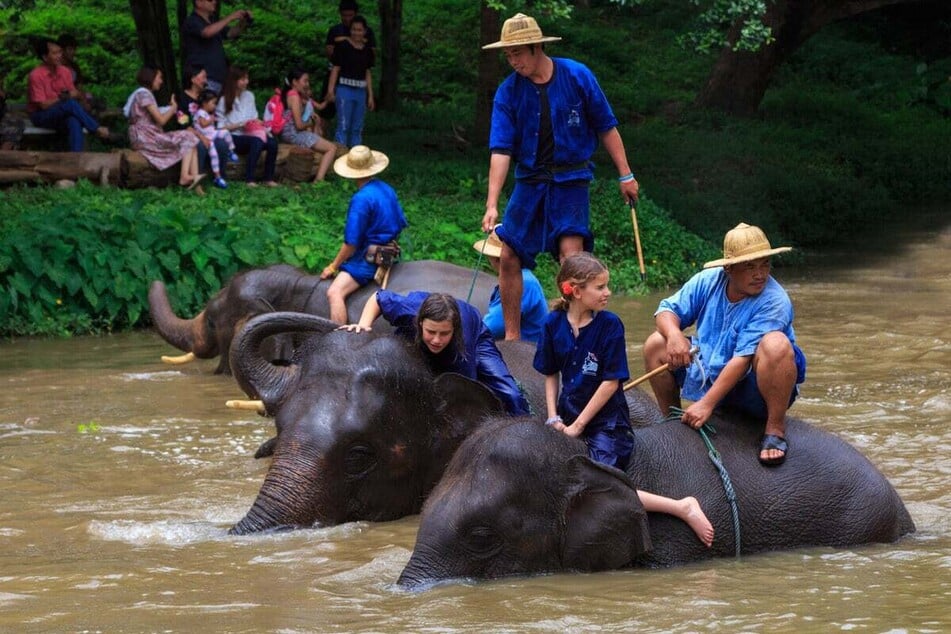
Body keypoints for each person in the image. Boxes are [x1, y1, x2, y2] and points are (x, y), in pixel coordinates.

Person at [534, 252, 714, 547]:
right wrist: (553, 417)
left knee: (598, 486)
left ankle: (682, 506)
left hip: (607, 424)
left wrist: (578, 427)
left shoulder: (610, 326)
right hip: (566, 416)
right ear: (576, 291)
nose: (608, 293)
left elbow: (611, 382)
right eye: (600, 287)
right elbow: (551, 373)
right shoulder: (553, 324)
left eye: (607, 286)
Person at [480, 13, 640, 341]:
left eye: (518, 53)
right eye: (508, 55)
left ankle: (578, 333)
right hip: (530, 181)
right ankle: (512, 338)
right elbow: (500, 150)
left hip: (571, 180)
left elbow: (606, 126)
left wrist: (626, 175)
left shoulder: (577, 76)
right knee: (509, 253)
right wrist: (492, 202)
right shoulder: (507, 93)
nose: (513, 61)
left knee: (572, 256)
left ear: (537, 47)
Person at [642, 222, 807, 466]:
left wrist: (706, 405)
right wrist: (675, 334)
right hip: (709, 370)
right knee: (657, 343)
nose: (760, 274)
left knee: (776, 345)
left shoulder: (775, 300)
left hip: (752, 384)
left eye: (765, 265)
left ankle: (774, 429)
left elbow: (742, 358)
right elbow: (666, 310)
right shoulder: (708, 281)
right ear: (729, 268)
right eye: (750, 266)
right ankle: (671, 421)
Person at [343, 291, 531, 417]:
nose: (436, 340)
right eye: (431, 332)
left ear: (454, 330)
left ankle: (525, 425)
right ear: (419, 323)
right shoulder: (408, 311)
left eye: (444, 333)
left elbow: (464, 396)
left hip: (475, 336)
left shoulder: (462, 348)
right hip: (413, 337)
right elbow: (378, 298)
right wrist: (364, 325)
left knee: (511, 395)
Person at [321, 145, 407, 324]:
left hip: (368, 257)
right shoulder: (386, 188)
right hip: (389, 250)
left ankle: (337, 338)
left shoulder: (361, 198)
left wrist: (333, 266)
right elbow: (401, 221)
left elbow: (351, 243)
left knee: (334, 292)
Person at [124, 66, 203, 191]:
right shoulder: (144, 94)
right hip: (146, 136)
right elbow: (161, 120)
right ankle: (184, 177)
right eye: (159, 77)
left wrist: (171, 109)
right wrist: (173, 108)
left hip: (146, 135)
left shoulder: (143, 94)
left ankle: (196, 185)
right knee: (188, 137)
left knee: (191, 141)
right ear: (151, 77)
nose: (161, 81)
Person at [27, 37, 111, 152]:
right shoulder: (35, 75)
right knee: (70, 104)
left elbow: (74, 93)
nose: (59, 56)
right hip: (41, 115)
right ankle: (96, 128)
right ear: (45, 57)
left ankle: (75, 159)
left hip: (61, 112)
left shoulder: (65, 71)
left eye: (60, 52)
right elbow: (43, 105)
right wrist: (62, 97)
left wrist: (73, 96)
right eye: (55, 53)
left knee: (73, 120)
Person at [472, 229, 548, 344]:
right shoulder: (522, 277)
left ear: (497, 259)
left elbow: (493, 327)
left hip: (527, 352)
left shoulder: (524, 282)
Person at [217, 65, 279, 187]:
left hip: (250, 133)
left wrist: (259, 123)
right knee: (256, 141)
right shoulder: (224, 100)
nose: (247, 82)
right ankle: (249, 179)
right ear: (234, 81)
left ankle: (268, 178)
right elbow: (220, 128)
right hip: (233, 137)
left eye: (247, 78)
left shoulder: (249, 96)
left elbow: (254, 117)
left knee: (272, 143)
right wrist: (240, 124)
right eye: (243, 79)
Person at [319, 0, 378, 123]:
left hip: (356, 78)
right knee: (326, 110)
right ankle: (322, 139)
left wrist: (344, 42)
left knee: (352, 116)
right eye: (344, 15)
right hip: (335, 73)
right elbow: (330, 51)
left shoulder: (368, 31)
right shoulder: (335, 30)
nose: (347, 19)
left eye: (350, 15)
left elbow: (371, 53)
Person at [181, 0, 253, 94]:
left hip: (220, 79)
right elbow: (206, 32)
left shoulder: (213, 22)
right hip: (204, 80)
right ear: (198, 2)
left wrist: (244, 22)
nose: (214, 2)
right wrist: (231, 17)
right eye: (210, 0)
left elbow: (230, 33)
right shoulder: (192, 21)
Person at [279, 68, 337, 182]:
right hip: (293, 135)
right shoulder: (294, 96)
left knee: (320, 143)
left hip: (288, 133)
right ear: (295, 82)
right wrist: (312, 123)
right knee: (332, 148)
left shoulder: (293, 95)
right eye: (305, 81)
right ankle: (319, 180)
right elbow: (299, 126)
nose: (307, 84)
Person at [325, 14, 374, 147]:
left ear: (364, 31)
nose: (356, 32)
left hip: (361, 91)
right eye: (354, 29)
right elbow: (335, 68)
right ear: (350, 30)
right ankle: (339, 157)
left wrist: (370, 96)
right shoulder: (343, 46)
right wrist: (330, 90)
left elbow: (368, 72)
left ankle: (356, 158)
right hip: (344, 90)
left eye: (359, 30)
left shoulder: (368, 50)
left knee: (357, 127)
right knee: (344, 125)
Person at [178, 64, 232, 179]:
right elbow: (184, 124)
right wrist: (202, 137)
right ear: (193, 79)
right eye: (203, 77)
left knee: (222, 144)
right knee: (200, 146)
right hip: (192, 134)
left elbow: (214, 116)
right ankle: (197, 179)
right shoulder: (182, 98)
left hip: (210, 132)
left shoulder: (207, 95)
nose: (206, 80)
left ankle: (219, 177)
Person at [191, 89, 238, 189]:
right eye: (213, 103)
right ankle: (217, 176)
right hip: (207, 137)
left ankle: (231, 151)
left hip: (212, 134)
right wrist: (210, 120)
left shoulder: (206, 113)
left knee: (225, 133)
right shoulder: (200, 112)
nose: (215, 106)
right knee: (214, 156)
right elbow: (203, 124)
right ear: (204, 103)